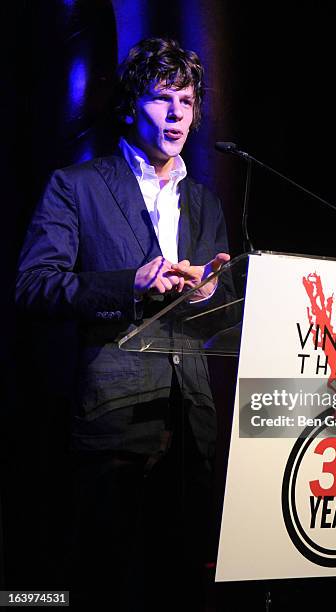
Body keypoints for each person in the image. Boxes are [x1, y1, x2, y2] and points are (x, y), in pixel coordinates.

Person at [16, 37, 231, 611]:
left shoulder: (205, 202)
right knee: (100, 579)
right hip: (114, 415)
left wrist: (211, 291)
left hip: (191, 419)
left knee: (180, 580)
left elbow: (217, 309)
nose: (177, 115)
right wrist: (128, 284)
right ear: (133, 104)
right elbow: (34, 285)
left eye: (187, 102)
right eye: (164, 99)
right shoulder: (77, 186)